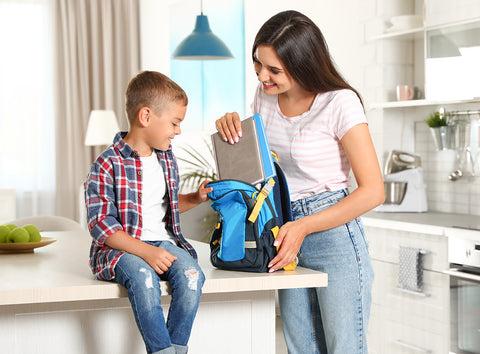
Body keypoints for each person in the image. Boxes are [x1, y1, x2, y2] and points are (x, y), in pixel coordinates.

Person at [215, 10, 385, 354]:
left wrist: (305, 226)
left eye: (274, 70)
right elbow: (261, 166)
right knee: (300, 346)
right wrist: (235, 129)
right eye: (258, 64)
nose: (263, 76)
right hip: (283, 227)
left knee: (344, 348)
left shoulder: (339, 103)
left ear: (303, 63)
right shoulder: (265, 95)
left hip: (333, 232)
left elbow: (373, 191)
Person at [84, 71, 212, 354]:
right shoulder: (107, 164)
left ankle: (174, 349)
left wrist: (196, 197)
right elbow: (102, 227)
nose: (178, 131)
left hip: (163, 243)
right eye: (175, 123)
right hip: (122, 251)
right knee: (143, 278)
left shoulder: (166, 158)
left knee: (192, 275)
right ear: (146, 117)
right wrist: (146, 251)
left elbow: (166, 205)